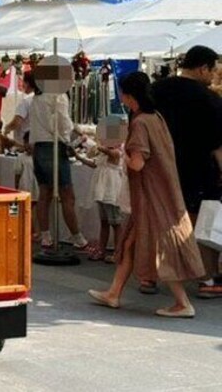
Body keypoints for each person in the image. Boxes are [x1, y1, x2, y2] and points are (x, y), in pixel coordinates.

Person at [88, 72, 205, 318]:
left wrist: (122, 153)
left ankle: (182, 303)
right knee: (129, 243)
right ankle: (114, 293)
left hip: (151, 198)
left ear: (128, 95)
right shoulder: (156, 117)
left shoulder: (140, 122)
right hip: (160, 194)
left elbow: (138, 164)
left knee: (161, 248)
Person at [152, 45, 222, 299]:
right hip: (199, 171)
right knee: (201, 223)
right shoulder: (210, 100)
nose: (214, 76)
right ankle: (208, 278)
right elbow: (217, 145)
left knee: (158, 220)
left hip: (160, 168)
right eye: (214, 70)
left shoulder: (156, 90)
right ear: (203, 68)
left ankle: (149, 276)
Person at [29, 86, 91, 252]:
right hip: (54, 148)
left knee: (44, 194)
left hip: (39, 148)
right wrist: (69, 141)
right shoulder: (59, 96)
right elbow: (63, 123)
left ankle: (46, 236)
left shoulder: (37, 97)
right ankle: (78, 238)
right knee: (67, 196)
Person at [76, 144, 126, 262]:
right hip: (102, 191)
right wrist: (78, 157)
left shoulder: (119, 150)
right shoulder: (104, 152)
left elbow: (113, 154)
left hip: (112, 192)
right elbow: (94, 163)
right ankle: (101, 250)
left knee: (116, 224)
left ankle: (118, 253)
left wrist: (95, 144)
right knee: (104, 222)